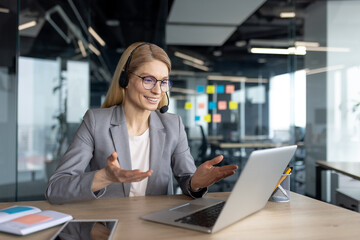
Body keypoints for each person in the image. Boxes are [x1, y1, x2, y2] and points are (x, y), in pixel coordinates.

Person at [45, 42, 238, 204]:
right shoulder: (96, 122)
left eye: (163, 82)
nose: (157, 90)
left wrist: (196, 183)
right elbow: (55, 188)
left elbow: (187, 180)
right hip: (110, 226)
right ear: (125, 78)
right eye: (148, 80)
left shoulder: (174, 125)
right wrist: (103, 177)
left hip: (157, 225)